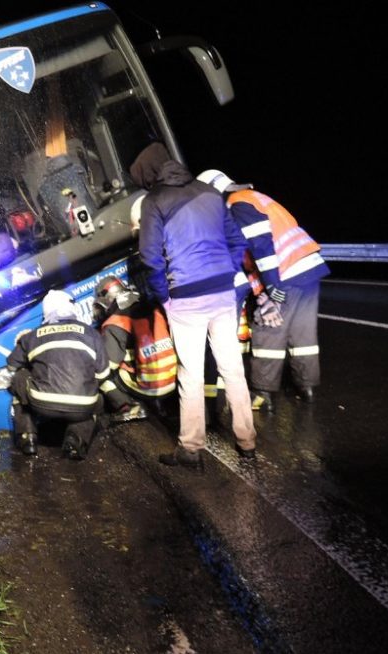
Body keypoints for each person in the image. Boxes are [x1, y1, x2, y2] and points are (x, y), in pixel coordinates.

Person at [133, 149, 256, 465]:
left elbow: (149, 257)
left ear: (150, 174)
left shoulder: (154, 202)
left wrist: (164, 296)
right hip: (222, 292)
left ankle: (191, 449)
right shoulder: (210, 192)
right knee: (232, 368)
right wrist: (225, 273)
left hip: (185, 297)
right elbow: (237, 241)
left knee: (191, 374)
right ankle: (247, 443)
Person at [196, 170, 329, 411]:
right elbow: (251, 259)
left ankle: (262, 393)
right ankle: (306, 387)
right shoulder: (254, 197)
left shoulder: (238, 205)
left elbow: (262, 250)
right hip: (308, 265)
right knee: (302, 332)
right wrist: (261, 292)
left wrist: (273, 292)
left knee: (268, 326)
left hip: (285, 271)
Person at [6, 289, 108, 460]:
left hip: (42, 404)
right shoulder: (91, 333)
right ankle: (75, 441)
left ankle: (27, 438)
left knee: (19, 378)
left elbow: (11, 366)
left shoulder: (32, 335)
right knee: (97, 401)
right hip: (83, 406)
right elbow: (103, 373)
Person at [93, 275, 176, 421]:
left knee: (103, 376)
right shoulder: (154, 307)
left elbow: (107, 366)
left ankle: (128, 407)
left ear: (105, 301)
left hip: (149, 387)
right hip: (176, 380)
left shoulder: (114, 323)